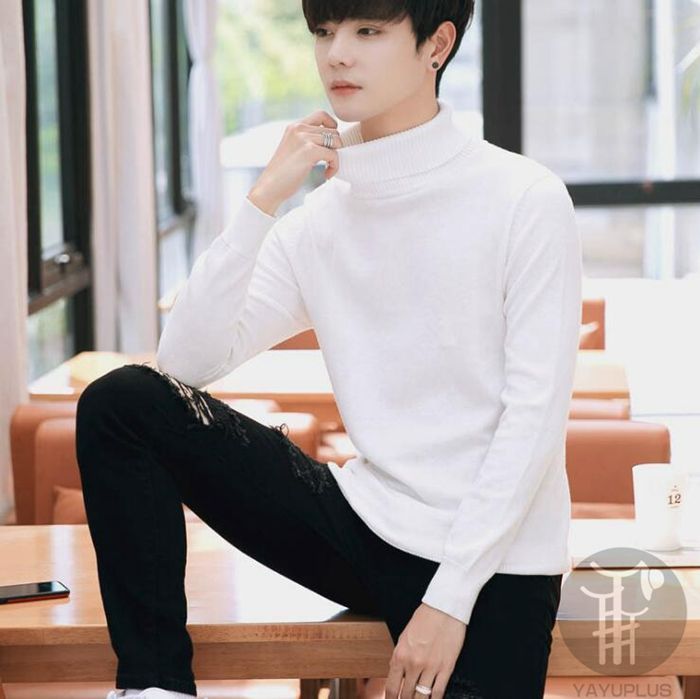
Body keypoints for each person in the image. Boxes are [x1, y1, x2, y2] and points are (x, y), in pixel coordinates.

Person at [76, 1, 583, 698]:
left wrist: (449, 600)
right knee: (123, 403)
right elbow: (185, 366)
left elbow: (533, 420)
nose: (337, 53)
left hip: (497, 561)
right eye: (324, 31)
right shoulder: (318, 222)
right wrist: (261, 201)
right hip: (366, 523)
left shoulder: (525, 198)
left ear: (437, 44)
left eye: (367, 31)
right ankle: (155, 687)